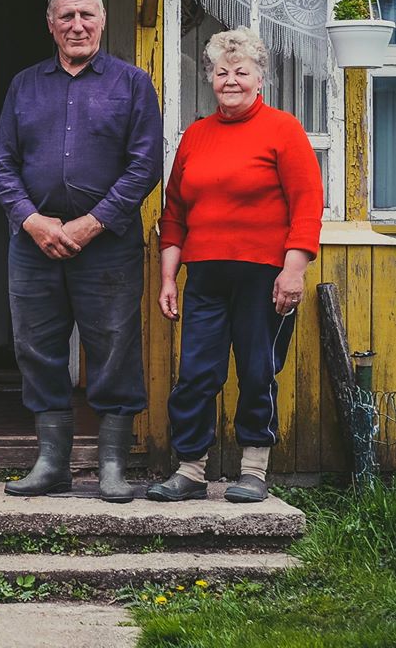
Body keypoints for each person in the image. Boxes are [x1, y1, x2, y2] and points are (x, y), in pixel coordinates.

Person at [0, 0, 163, 503]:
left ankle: (112, 467)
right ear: (51, 24)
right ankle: (52, 465)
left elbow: (145, 166)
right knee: (38, 348)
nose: (77, 26)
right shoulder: (25, 85)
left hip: (107, 243)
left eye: (87, 15)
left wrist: (91, 223)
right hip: (34, 244)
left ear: (103, 19)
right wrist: (32, 220)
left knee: (113, 347)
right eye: (66, 16)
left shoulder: (132, 84)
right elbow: (3, 164)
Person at [147, 27, 323, 504]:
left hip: (264, 277)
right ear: (210, 78)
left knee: (257, 370)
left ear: (258, 77)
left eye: (241, 71)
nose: (230, 80)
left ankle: (253, 469)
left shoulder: (283, 129)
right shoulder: (195, 136)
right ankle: (190, 469)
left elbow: (307, 205)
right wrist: (169, 277)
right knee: (198, 374)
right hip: (204, 275)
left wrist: (293, 270)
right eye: (221, 71)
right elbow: (175, 214)